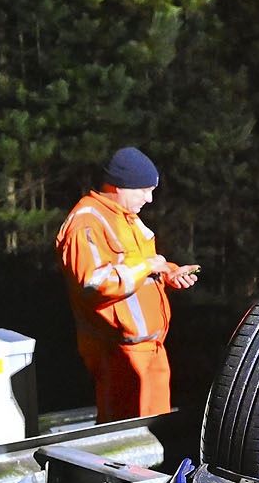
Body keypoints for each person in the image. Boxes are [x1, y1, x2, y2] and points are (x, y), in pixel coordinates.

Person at [56, 146, 198, 421]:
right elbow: (93, 284)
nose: (150, 198)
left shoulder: (125, 217)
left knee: (155, 429)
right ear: (120, 186)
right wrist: (148, 266)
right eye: (144, 190)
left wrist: (169, 273)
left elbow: (143, 263)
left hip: (149, 349)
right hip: (119, 355)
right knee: (126, 437)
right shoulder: (86, 223)